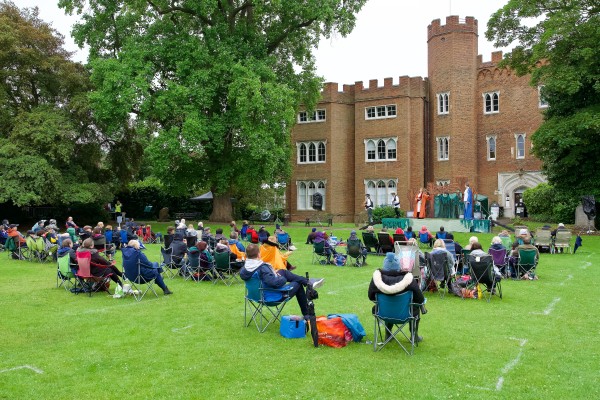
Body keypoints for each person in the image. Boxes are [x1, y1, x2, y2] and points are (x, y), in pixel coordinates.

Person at [239, 244, 324, 319]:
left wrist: (275, 274)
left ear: (247, 255)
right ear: (258, 254)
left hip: (254, 295)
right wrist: (283, 278)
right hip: (271, 297)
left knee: (282, 271)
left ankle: (308, 281)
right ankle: (307, 314)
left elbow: (264, 279)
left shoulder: (244, 268)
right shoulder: (262, 268)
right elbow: (275, 283)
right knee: (297, 284)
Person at [368, 252, 425, 342]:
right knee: (415, 309)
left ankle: (388, 334)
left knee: (387, 306)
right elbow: (420, 299)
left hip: (383, 313)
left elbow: (371, 297)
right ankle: (414, 336)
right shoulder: (409, 279)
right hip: (405, 314)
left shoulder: (377, 279)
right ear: (399, 266)